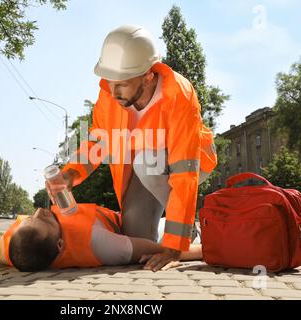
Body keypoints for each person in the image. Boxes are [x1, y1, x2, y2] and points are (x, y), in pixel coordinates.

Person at [46, 25, 217, 270]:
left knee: (147, 163)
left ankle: (188, 235)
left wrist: (174, 248)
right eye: (109, 81)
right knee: (137, 234)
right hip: (146, 166)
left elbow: (184, 173)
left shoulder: (179, 95)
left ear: (148, 75)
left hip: (192, 163)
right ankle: (172, 228)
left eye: (122, 84)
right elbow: (98, 141)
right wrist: (71, 174)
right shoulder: (110, 94)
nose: (113, 92)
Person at [0, 204, 202, 272]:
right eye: (45, 219)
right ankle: (196, 231)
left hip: (118, 219)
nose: (40, 210)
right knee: (159, 231)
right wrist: (206, 251)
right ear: (60, 244)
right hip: (131, 227)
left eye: (31, 217)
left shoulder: (14, 249)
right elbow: (158, 249)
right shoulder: (99, 243)